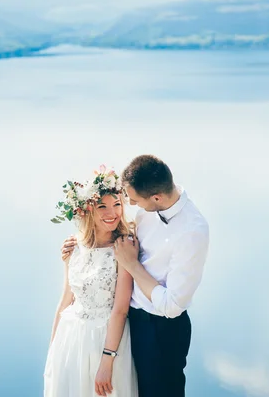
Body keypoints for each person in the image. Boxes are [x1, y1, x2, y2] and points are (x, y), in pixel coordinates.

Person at [61, 155, 209, 397]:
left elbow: (172, 305)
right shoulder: (148, 204)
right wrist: (78, 244)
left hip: (161, 329)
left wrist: (131, 264)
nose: (130, 204)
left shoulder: (193, 231)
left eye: (134, 200)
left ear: (156, 198)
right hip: (129, 324)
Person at [44, 165, 138, 397]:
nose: (112, 213)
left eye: (117, 205)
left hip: (106, 340)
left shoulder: (124, 245)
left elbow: (120, 310)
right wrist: (53, 348)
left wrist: (107, 363)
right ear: (87, 210)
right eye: (102, 206)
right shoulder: (74, 246)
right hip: (71, 338)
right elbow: (66, 299)